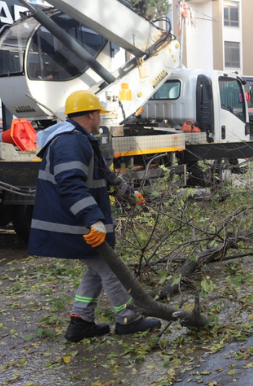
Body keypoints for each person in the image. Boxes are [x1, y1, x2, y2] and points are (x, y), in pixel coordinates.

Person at [28, 90, 160, 342]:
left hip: (76, 222)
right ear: (91, 114)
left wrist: (128, 193)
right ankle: (128, 319)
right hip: (77, 223)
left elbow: (102, 173)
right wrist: (94, 220)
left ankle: (80, 322)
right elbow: (70, 184)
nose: (100, 118)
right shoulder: (70, 141)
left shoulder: (80, 138)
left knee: (95, 269)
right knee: (110, 267)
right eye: (99, 113)